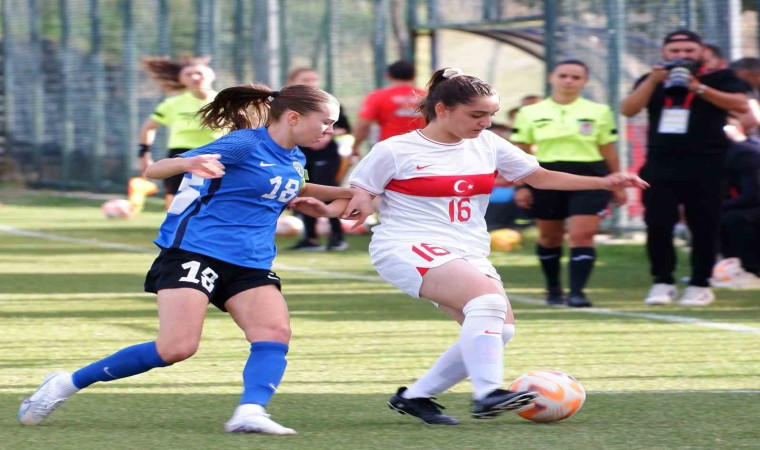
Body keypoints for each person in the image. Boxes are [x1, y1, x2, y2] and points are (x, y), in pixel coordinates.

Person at [17, 83, 373, 435]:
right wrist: (190, 162)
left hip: (251, 261)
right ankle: (66, 383)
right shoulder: (245, 143)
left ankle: (250, 412)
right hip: (196, 250)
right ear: (293, 117)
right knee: (176, 348)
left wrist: (352, 193)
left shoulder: (295, 157)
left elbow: (298, 187)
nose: (331, 130)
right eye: (326, 122)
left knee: (274, 332)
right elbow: (155, 170)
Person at [341, 68, 648, 425]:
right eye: (477, 115)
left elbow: (540, 176)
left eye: (491, 115)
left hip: (467, 249)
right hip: (407, 244)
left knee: (500, 330)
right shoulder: (395, 149)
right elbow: (360, 190)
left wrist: (605, 181)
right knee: (487, 303)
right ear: (441, 109)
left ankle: (415, 396)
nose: (486, 123)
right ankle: (487, 394)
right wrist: (353, 202)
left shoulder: (487, 143)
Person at [620, 29, 750, 306]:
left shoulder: (721, 77)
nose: (682, 56)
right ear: (664, 53)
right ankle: (662, 281)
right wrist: (652, 81)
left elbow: (741, 105)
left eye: (689, 50)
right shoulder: (653, 78)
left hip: (708, 164)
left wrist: (698, 88)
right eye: (675, 51)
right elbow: (628, 110)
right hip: (660, 164)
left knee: (704, 225)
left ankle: (700, 284)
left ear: (701, 52)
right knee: (658, 224)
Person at [509, 59, 622, 307]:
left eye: (576, 77)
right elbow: (521, 151)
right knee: (550, 237)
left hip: (590, 175)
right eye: (563, 76)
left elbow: (608, 148)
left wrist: (616, 181)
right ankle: (553, 288)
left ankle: (577, 292)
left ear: (585, 81)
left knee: (582, 235)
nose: (569, 81)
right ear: (552, 77)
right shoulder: (530, 112)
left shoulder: (599, 111)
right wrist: (522, 186)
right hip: (546, 176)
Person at [138, 56, 224, 210]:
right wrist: (144, 154)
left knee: (218, 199)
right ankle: (174, 224)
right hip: (182, 155)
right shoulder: (172, 103)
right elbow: (148, 127)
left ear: (212, 74)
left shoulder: (226, 101)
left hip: (217, 154)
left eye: (198, 73)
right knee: (176, 201)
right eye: (188, 74)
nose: (194, 77)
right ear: (181, 79)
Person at [284, 67, 352, 251]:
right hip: (301, 154)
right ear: (292, 82)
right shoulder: (286, 105)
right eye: (306, 79)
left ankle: (337, 237)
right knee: (303, 192)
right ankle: (310, 238)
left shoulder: (329, 102)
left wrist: (325, 133)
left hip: (326, 155)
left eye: (314, 79)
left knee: (328, 191)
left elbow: (344, 127)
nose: (311, 83)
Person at [713, 123, 760, 288]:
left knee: (734, 218)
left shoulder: (744, 155)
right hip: (744, 204)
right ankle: (728, 266)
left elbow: (754, 195)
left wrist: (718, 206)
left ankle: (751, 270)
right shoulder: (708, 159)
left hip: (752, 205)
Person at [350, 60, 426, 158]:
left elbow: (363, 125)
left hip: (390, 152)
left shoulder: (378, 96)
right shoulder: (428, 97)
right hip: (423, 151)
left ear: (388, 76)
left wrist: (355, 146)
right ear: (414, 76)